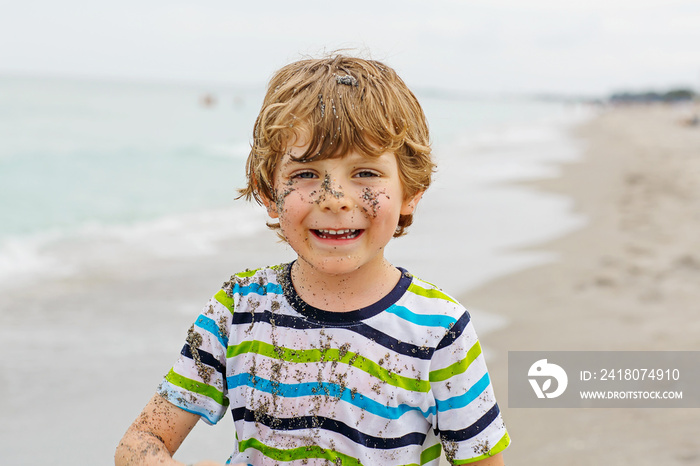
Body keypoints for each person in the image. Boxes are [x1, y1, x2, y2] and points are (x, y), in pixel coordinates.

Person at [115, 55, 510, 466]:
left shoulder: (438, 329)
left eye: (366, 173)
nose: (334, 199)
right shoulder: (239, 308)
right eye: (304, 174)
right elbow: (140, 441)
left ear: (411, 191)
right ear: (269, 192)